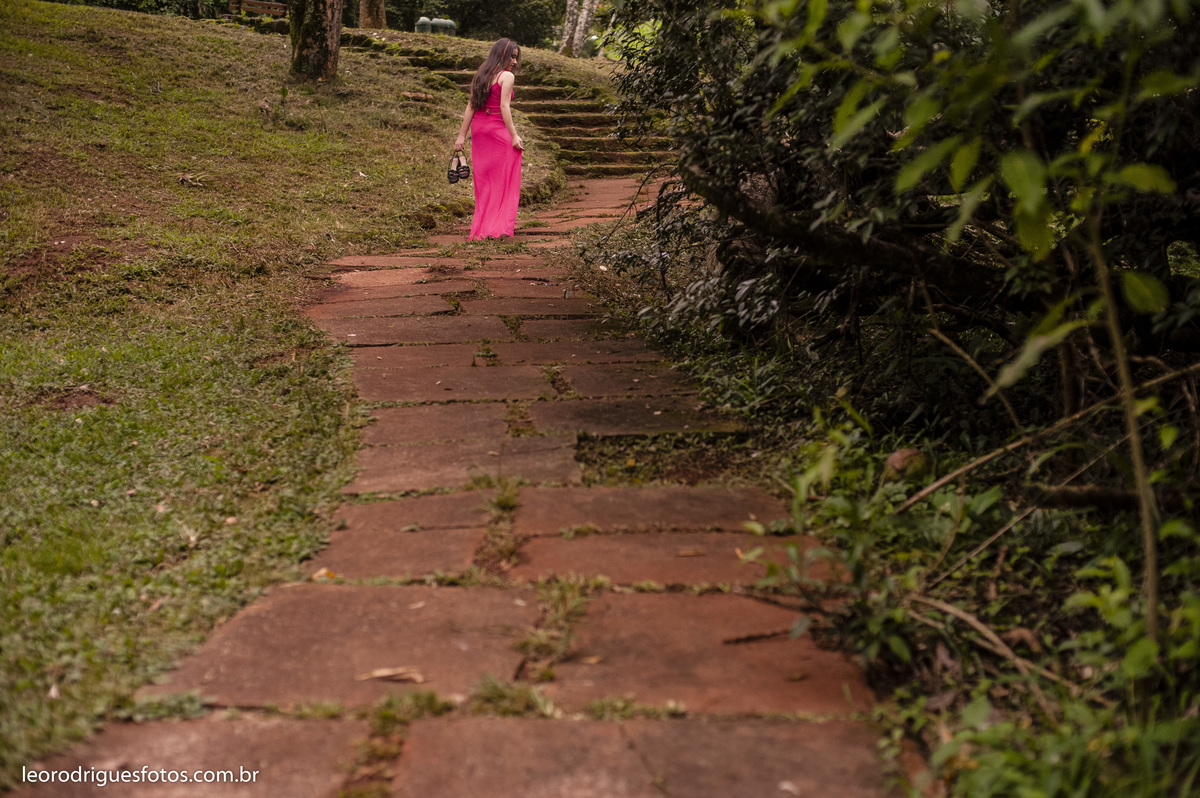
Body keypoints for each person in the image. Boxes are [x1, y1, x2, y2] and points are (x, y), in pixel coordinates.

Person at [453, 38, 524, 240]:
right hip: (497, 130)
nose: (514, 62)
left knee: (484, 181)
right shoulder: (506, 76)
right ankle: (499, 226)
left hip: (479, 130)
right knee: (506, 177)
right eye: (512, 56)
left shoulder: (482, 75)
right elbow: (504, 107)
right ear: (501, 54)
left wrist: (461, 136)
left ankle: (483, 227)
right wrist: (514, 135)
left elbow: (471, 106)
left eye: (516, 57)